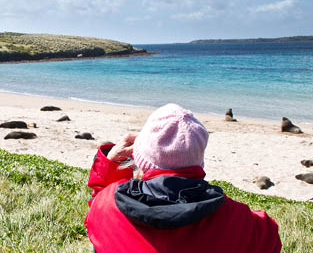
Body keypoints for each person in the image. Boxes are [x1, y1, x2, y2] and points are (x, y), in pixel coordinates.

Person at [84, 103, 281, 253]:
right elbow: (270, 237)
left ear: (140, 158)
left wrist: (111, 166)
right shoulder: (239, 220)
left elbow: (96, 212)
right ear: (199, 161)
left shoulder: (107, 205)